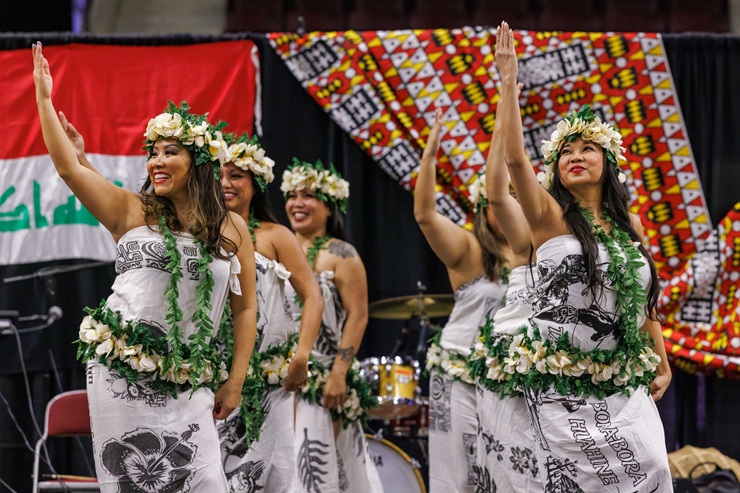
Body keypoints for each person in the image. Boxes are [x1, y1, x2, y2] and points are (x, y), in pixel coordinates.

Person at [32, 42, 257, 492]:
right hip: (123, 373)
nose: (156, 161)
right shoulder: (132, 211)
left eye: (169, 151)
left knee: (208, 482)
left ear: (199, 162)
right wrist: (43, 97)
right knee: (136, 482)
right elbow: (69, 171)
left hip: (190, 377)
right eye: (152, 152)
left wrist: (235, 381)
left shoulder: (231, 227)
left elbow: (245, 307)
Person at [496, 22, 673, 492]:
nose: (576, 156)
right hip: (561, 385)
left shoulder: (630, 225)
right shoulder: (549, 216)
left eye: (588, 149)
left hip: (620, 379)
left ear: (607, 163)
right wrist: (508, 83)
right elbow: (515, 162)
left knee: (654, 468)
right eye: (566, 152)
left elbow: (642, 301)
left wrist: (661, 360)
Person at [216, 133, 324, 492]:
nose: (225, 183)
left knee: (267, 476)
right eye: (219, 175)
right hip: (215, 376)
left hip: (267, 379)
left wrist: (302, 354)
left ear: (257, 184)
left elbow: (313, 296)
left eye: (236, 175)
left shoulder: (275, 235)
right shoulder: (201, 232)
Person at [466, 23, 543, 492]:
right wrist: (507, 87)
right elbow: (498, 189)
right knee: (515, 474)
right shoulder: (532, 236)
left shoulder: (613, 230)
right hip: (520, 365)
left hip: (578, 370)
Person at [415, 108, 508, 492]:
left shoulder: (533, 253)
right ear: (484, 209)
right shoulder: (469, 249)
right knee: (458, 477)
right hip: (458, 373)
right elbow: (425, 215)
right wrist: (430, 155)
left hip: (504, 379)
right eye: (500, 202)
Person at [281, 159, 383, 493]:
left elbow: (358, 315)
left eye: (308, 195)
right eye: (292, 195)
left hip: (321, 379)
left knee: (319, 469)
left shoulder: (341, 253)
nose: (297, 203)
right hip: (277, 378)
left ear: (329, 207)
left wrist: (339, 373)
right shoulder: (277, 247)